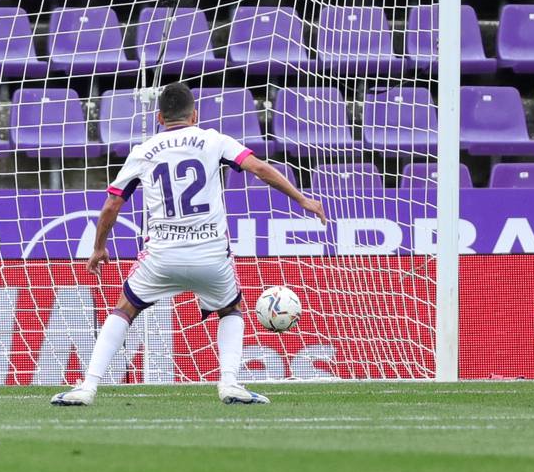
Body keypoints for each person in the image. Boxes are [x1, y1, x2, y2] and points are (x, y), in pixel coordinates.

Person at [51, 82, 327, 407]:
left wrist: (99, 247)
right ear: (194, 114)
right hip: (211, 254)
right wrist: (302, 199)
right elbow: (260, 169)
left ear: (158, 117)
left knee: (124, 309)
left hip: (162, 256)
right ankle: (229, 384)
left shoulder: (143, 152)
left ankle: (88, 387)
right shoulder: (213, 140)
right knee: (231, 309)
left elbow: (112, 204)